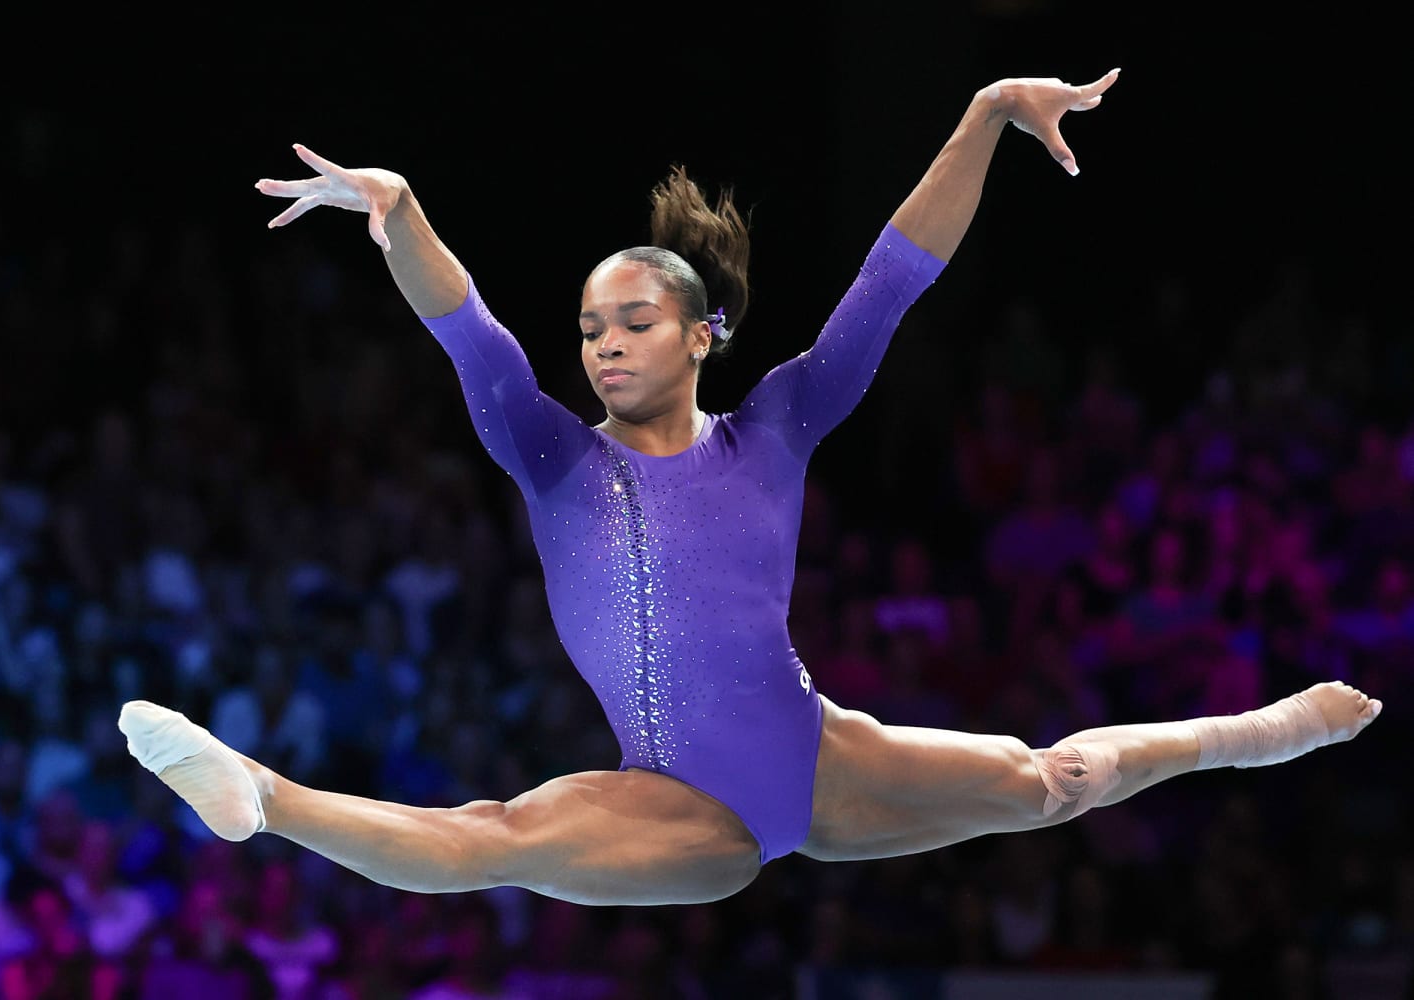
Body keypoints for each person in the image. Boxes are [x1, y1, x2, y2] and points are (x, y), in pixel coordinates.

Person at [118, 68, 1383, 908]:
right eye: (589, 326)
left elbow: (892, 283)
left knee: (1055, 783)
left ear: (701, 332)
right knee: (499, 836)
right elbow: (471, 334)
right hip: (674, 800)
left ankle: (1261, 732)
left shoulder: (773, 429)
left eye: (632, 321)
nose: (602, 343)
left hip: (817, 760)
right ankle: (266, 798)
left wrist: (986, 114)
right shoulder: (553, 457)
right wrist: (398, 215)